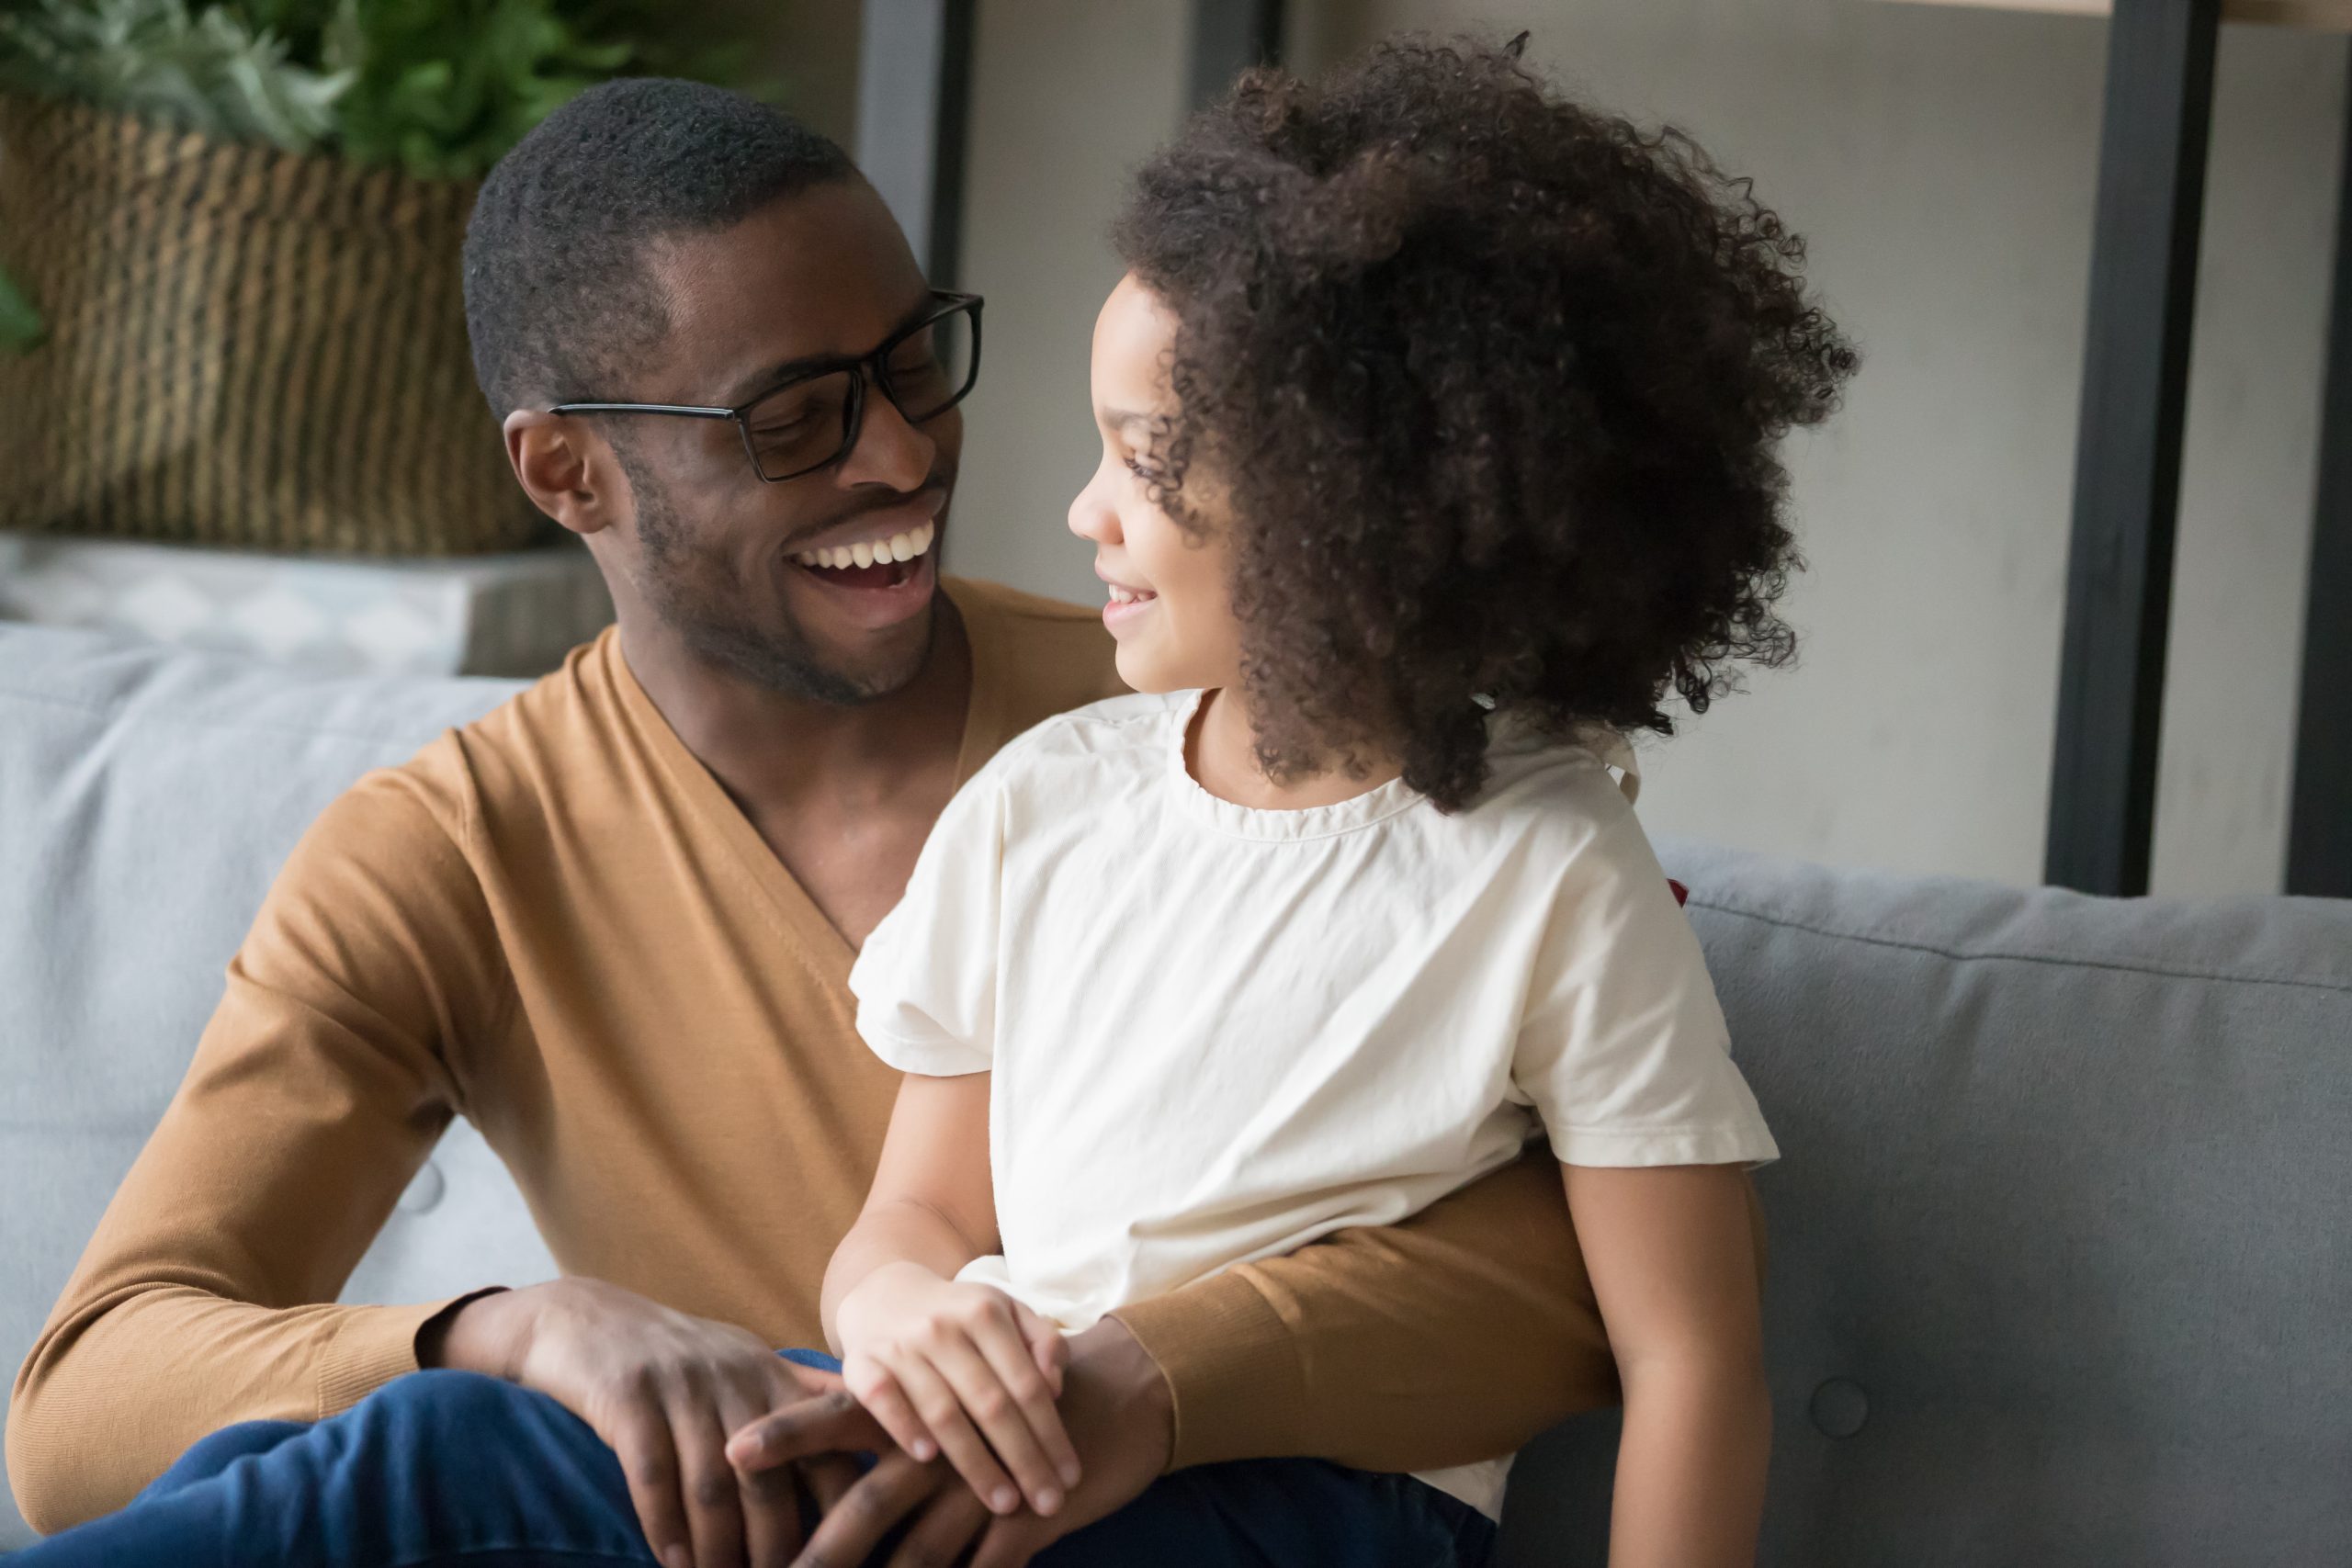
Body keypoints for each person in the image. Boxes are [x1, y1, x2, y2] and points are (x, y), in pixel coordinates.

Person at [6, 73, 1634, 1568]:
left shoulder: (1219, 706)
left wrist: (1151, 1386)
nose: (909, 453)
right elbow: (80, 1419)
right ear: (569, 472)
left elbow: (1585, 1281)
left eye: (914, 363)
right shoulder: (450, 853)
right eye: (796, 419)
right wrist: (512, 1332)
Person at [819, 34, 1855, 1568]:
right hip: (1017, 1438)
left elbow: (1694, 1360)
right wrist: (895, 1307)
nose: (1083, 509)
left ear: (1345, 508)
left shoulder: (1547, 862)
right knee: (493, 1453)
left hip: (1317, 1507)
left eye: (1144, 457)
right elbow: (910, 1217)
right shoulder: (1046, 799)